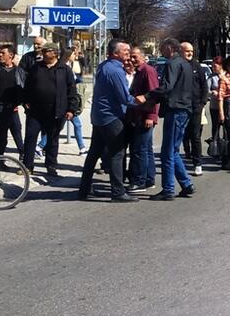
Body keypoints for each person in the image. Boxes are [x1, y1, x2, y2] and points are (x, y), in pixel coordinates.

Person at [147, 38, 208, 200]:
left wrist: (147, 96)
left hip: (175, 109)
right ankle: (186, 184)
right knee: (173, 150)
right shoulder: (186, 65)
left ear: (169, 47)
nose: (161, 51)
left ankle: (168, 189)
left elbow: (167, 87)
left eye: (162, 48)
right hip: (185, 109)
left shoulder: (173, 64)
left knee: (167, 152)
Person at [79, 40, 139, 202]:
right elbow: (125, 98)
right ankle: (118, 192)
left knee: (94, 153)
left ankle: (84, 189)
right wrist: (143, 100)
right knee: (117, 153)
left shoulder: (104, 66)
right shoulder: (115, 71)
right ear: (115, 53)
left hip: (99, 116)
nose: (128, 53)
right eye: (125, 50)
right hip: (111, 117)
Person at [22, 43, 79, 178]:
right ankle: (27, 166)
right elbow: (27, 86)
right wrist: (25, 102)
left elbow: (72, 90)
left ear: (55, 53)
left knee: (52, 139)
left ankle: (51, 165)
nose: (43, 53)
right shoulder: (36, 68)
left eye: (46, 51)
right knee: (30, 137)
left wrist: (71, 109)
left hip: (56, 111)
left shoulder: (64, 69)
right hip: (35, 111)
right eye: (43, 51)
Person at [127, 46, 159, 190]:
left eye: (135, 56)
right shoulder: (139, 72)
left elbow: (154, 95)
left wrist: (151, 116)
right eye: (131, 57)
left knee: (139, 149)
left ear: (142, 56)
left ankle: (139, 181)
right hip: (139, 115)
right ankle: (149, 179)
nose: (132, 59)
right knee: (146, 149)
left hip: (145, 116)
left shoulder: (147, 71)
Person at [180, 42, 208, 175]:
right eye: (187, 51)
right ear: (180, 51)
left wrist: (202, 102)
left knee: (196, 136)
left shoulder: (197, 66)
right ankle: (185, 154)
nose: (190, 53)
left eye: (191, 51)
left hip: (195, 106)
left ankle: (198, 164)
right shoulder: (177, 65)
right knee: (182, 134)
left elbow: (204, 85)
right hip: (181, 106)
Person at [207, 56, 225, 161]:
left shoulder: (226, 75)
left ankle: (226, 149)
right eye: (212, 66)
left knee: (226, 128)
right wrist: (212, 92)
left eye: (215, 66)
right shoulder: (211, 77)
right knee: (216, 127)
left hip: (225, 106)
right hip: (214, 105)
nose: (213, 68)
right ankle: (216, 149)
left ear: (221, 66)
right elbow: (206, 90)